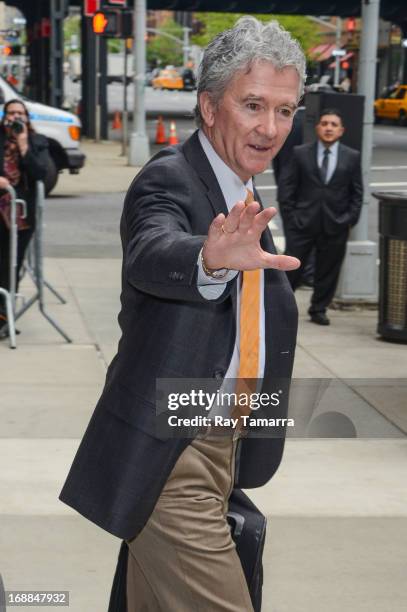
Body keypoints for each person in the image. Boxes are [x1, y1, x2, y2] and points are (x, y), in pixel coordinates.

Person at [60, 17, 305, 611]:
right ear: (209, 107)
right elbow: (151, 249)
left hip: (221, 449)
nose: (270, 128)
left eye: (285, 110)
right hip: (172, 456)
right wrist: (209, 258)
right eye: (252, 105)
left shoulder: (244, 195)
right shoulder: (169, 179)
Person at [280, 108, 363, 325]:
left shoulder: (352, 157)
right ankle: (280, 306)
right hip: (302, 223)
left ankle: (318, 309)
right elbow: (287, 189)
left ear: (341, 130)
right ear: (317, 128)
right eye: (325, 123)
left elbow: (357, 193)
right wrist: (291, 220)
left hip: (335, 224)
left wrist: (348, 220)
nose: (328, 128)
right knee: (291, 268)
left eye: (333, 125)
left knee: (328, 270)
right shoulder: (300, 153)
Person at [0, 98, 49, 334]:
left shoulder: (37, 141)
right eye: (11, 113)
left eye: (21, 113)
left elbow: (40, 172)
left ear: (27, 118)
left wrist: (22, 144)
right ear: (4, 116)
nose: (16, 117)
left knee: (12, 264)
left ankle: (3, 318)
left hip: (21, 214)